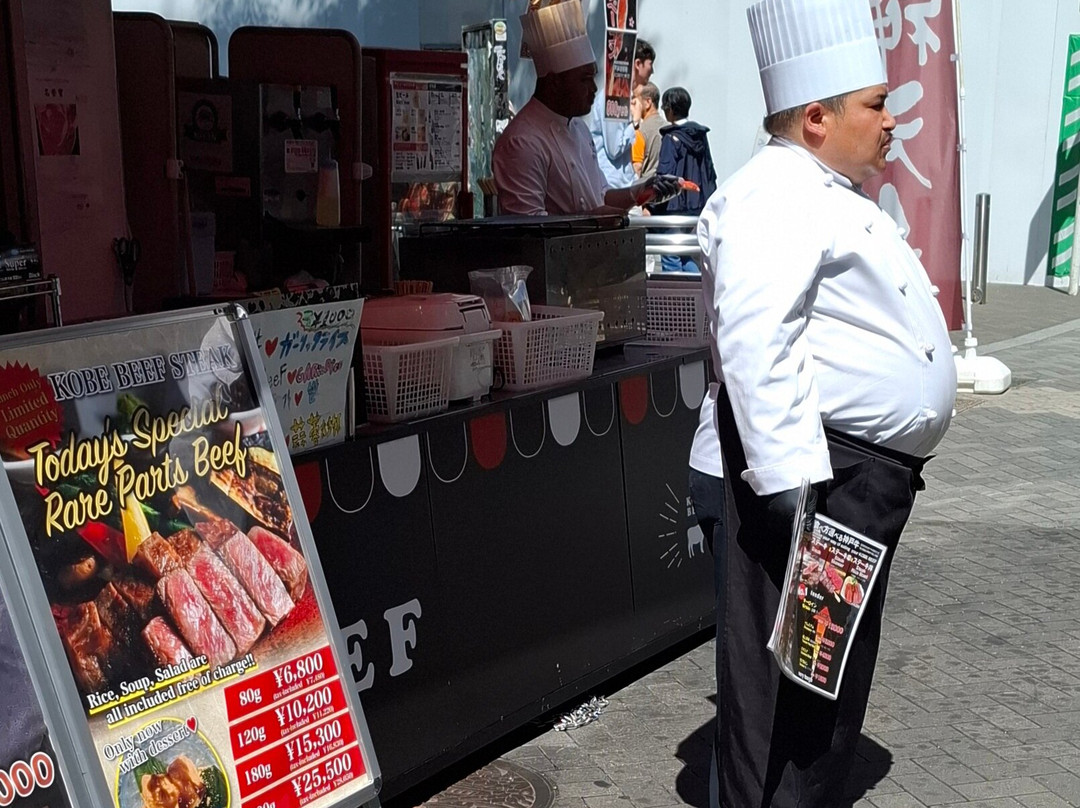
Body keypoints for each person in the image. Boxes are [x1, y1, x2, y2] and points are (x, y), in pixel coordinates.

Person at [697, 0, 957, 806]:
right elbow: (755, 339)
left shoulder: (824, 189)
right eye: (875, 106)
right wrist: (788, 491)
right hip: (813, 481)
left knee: (819, 692)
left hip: (847, 484)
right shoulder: (774, 193)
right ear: (816, 117)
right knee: (785, 707)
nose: (891, 123)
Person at [493, 3, 678, 216]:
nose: (594, 87)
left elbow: (601, 196)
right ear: (554, 82)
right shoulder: (522, 141)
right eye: (584, 79)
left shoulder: (580, 129)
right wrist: (595, 219)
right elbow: (529, 226)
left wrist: (640, 191)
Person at [650, 87, 716, 271]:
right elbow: (709, 172)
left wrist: (650, 205)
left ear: (670, 109)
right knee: (686, 253)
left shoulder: (671, 138)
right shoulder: (700, 136)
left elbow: (665, 175)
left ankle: (671, 298)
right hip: (696, 207)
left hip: (673, 208)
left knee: (670, 253)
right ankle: (695, 293)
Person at [588, 38, 656, 188]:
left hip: (619, 183)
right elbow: (614, 148)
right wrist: (635, 123)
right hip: (611, 186)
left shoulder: (621, 95)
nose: (652, 71)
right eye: (650, 64)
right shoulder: (615, 95)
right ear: (638, 64)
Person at [631, 83, 664, 180]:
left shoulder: (638, 132)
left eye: (635, 99)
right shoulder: (669, 128)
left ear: (648, 102)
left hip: (647, 188)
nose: (632, 103)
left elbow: (637, 167)